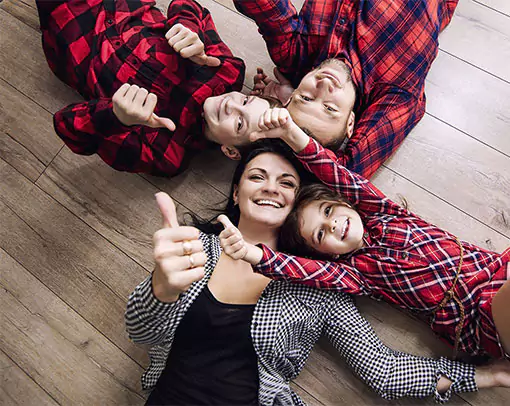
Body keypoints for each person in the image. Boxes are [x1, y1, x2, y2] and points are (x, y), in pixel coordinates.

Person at [126, 141, 510, 405]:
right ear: (236, 191)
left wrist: (485, 378)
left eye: (287, 182)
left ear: (297, 203)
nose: (272, 188)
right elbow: (140, 334)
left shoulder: (321, 288)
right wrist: (162, 286)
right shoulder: (193, 249)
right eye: (257, 176)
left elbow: (384, 370)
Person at [224, 108, 510, 361]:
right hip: (473, 315)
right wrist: (252, 253)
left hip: (494, 268)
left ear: (345, 202)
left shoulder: (385, 212)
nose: (332, 225)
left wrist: (291, 133)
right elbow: (301, 270)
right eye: (321, 235)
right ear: (329, 254)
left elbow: (335, 172)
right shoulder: (357, 275)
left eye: (327, 212)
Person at [36, 0, 276, 176]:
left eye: (239, 123)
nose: (231, 104)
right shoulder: (227, 70)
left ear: (230, 151)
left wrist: (116, 117)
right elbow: (189, 6)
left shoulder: (166, 154)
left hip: (67, 24)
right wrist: (188, 26)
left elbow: (66, 125)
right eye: (245, 101)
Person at [235, 0, 458, 178]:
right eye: (330, 108)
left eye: (305, 98)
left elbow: (268, 9)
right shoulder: (395, 92)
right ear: (351, 122)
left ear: (291, 94)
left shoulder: (295, 56)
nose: (324, 85)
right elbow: (349, 173)